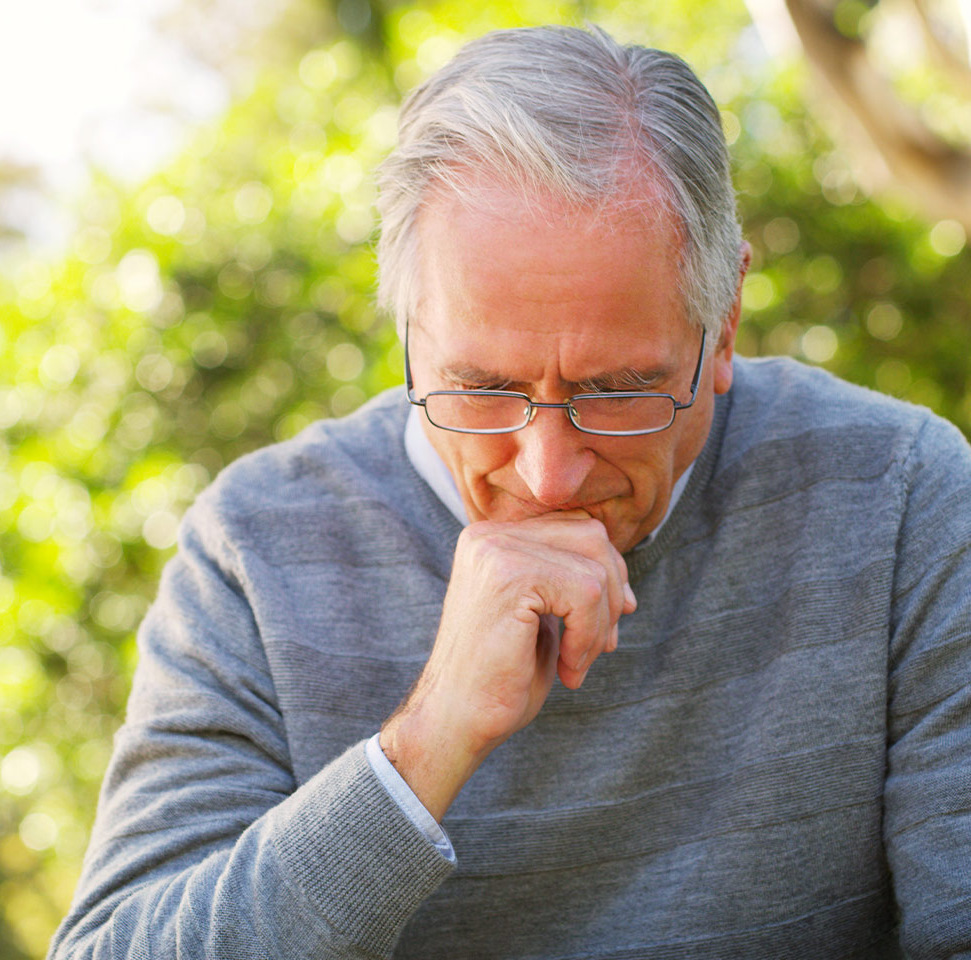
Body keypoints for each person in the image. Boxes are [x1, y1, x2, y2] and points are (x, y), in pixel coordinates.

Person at [49, 25, 971, 959]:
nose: (547, 472)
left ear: (723, 322)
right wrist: (427, 743)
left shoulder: (901, 498)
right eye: (483, 390)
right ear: (409, 332)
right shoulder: (255, 549)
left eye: (618, 392)